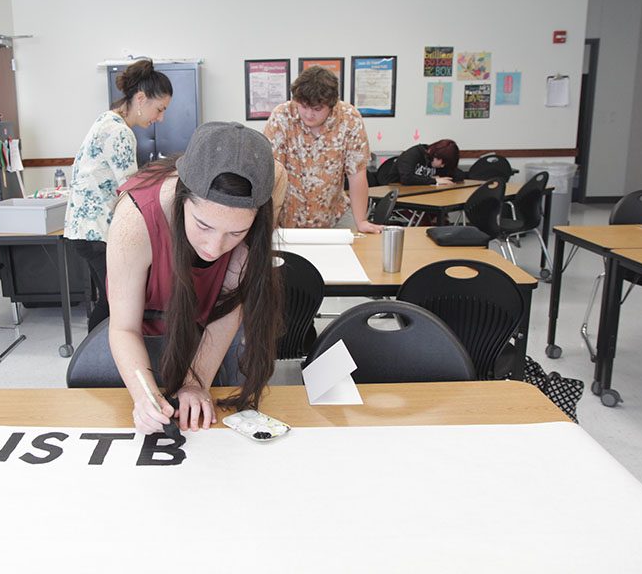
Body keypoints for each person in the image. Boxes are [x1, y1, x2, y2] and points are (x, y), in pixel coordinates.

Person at [106, 122, 283, 435]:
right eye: (203, 225)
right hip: (145, 332)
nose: (215, 248)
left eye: (236, 233)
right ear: (182, 198)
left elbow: (229, 305)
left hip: (206, 329)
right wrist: (143, 397)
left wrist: (196, 382)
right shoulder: (135, 220)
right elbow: (123, 327)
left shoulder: (269, 189)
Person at [64, 59, 172, 331]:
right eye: (159, 109)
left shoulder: (106, 119)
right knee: (116, 300)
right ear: (140, 98)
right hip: (96, 231)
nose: (160, 118)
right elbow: (132, 190)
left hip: (85, 230)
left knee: (111, 297)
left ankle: (98, 357)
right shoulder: (120, 132)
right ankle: (93, 361)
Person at [263, 66, 382, 233]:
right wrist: (270, 224)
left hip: (334, 215)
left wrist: (361, 221)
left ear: (331, 104)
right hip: (286, 219)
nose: (309, 114)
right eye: (303, 106)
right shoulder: (282, 117)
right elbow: (273, 175)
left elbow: (357, 174)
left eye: (317, 109)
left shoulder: (349, 119)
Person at [394, 139, 461, 185]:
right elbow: (406, 178)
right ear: (436, 155)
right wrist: (434, 180)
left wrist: (439, 178)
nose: (442, 166)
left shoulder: (439, 161)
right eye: (443, 163)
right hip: (397, 193)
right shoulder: (413, 154)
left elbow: (458, 175)